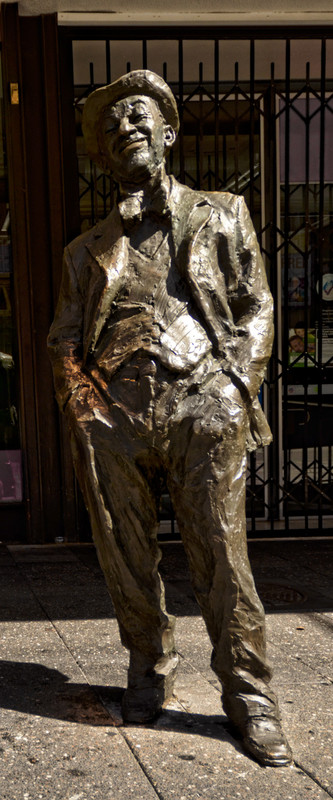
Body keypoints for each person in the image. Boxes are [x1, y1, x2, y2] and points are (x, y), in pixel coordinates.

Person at [48, 70, 292, 767]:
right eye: (110, 124)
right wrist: (82, 403)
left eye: (137, 114)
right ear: (100, 152)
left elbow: (257, 306)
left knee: (221, 552)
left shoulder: (224, 211)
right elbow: (64, 334)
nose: (125, 126)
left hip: (203, 407)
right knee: (124, 556)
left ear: (169, 132)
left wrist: (233, 387)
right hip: (113, 417)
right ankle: (148, 666)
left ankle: (249, 695)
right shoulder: (84, 250)